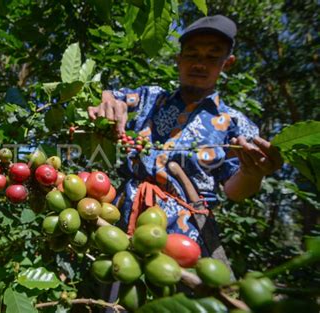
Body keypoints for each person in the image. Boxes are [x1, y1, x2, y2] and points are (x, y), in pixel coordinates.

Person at [87, 15, 283, 255]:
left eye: (212, 56)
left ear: (227, 63)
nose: (200, 63)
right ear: (178, 59)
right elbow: (112, 97)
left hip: (186, 236)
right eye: (192, 54)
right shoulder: (151, 98)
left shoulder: (236, 124)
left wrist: (252, 173)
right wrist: (106, 99)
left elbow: (235, 190)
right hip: (123, 221)